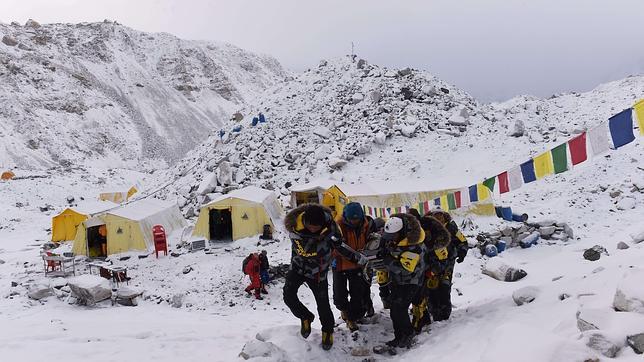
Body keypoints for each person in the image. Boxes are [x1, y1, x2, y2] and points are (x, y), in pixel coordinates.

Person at [283, 203, 368, 351]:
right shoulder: (294, 227)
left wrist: (357, 258)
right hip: (297, 268)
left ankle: (327, 331)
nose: (314, 229)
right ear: (305, 222)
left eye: (317, 226)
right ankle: (305, 316)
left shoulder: (332, 229)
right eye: (311, 226)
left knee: (323, 305)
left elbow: (340, 246)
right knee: (288, 296)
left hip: (318, 272)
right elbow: (301, 250)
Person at [380, 213, 427, 349]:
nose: (391, 240)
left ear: (401, 232)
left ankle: (407, 335)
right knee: (394, 309)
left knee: (399, 309)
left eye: (393, 236)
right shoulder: (397, 239)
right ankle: (399, 336)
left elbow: (405, 269)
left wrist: (388, 260)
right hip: (398, 281)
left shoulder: (414, 246)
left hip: (411, 281)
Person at [333, 202, 376, 331]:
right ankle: (344, 310)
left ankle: (351, 318)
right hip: (340, 264)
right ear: (346, 217)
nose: (354, 222)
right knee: (339, 295)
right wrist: (353, 256)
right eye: (352, 219)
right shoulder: (337, 227)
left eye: (357, 219)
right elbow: (333, 246)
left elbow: (372, 239)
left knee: (358, 295)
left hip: (359, 266)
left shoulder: (367, 224)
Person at [424, 210, 469, 321]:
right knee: (432, 287)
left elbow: (462, 241)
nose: (439, 218)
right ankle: (433, 310)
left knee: (444, 286)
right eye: (436, 215)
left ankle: (445, 313)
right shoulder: (427, 226)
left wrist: (462, 252)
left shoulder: (451, 227)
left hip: (448, 262)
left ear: (445, 216)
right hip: (431, 262)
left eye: (440, 215)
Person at [411, 214, 451, 332]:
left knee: (440, 292)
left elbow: (444, 260)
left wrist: (433, 271)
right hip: (420, 270)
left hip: (435, 270)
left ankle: (443, 320)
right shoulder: (413, 237)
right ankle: (422, 319)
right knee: (420, 296)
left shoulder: (436, 238)